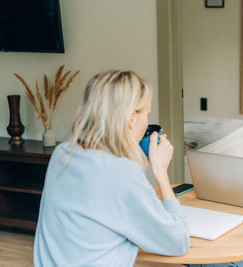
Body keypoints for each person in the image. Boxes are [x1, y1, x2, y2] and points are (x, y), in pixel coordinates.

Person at [34, 70, 190, 266]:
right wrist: (161, 172)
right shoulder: (121, 173)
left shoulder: (63, 152)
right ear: (132, 117)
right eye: (146, 113)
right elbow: (179, 241)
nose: (146, 122)